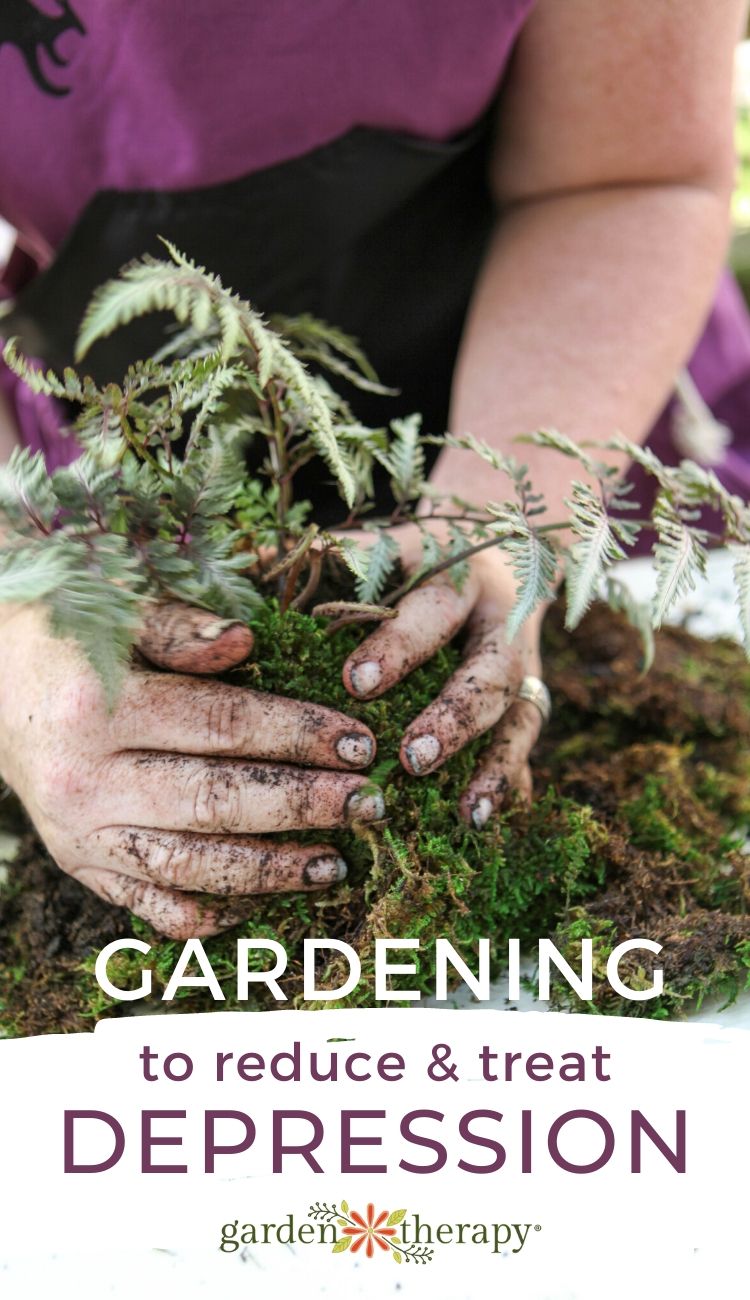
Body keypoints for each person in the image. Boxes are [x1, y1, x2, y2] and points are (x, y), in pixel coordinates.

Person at [0, 0, 745, 938]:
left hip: (578, 403)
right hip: (107, 483)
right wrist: (20, 607)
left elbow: (627, 173)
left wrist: (504, 523)